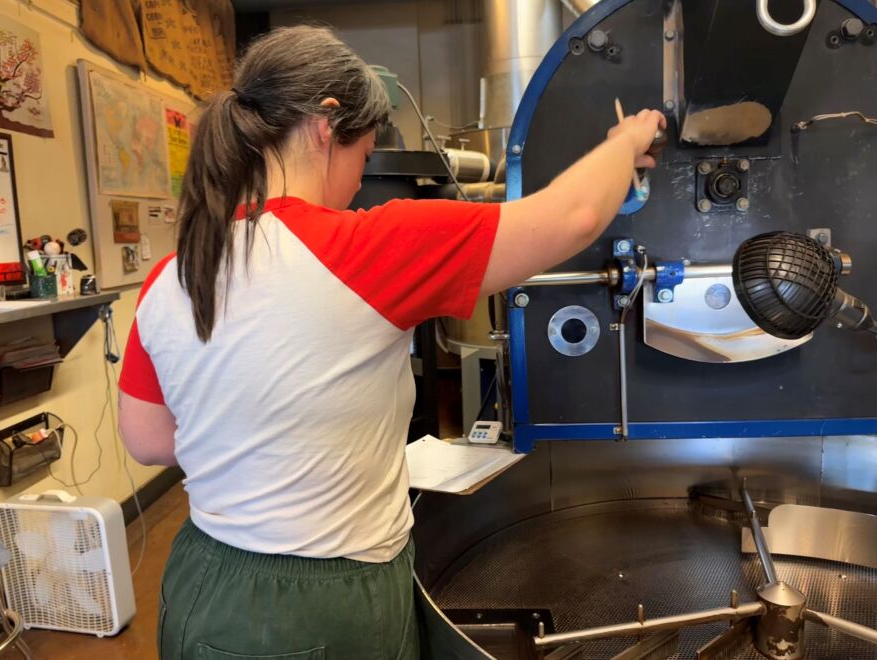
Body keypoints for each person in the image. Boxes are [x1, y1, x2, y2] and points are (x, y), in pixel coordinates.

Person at [118, 25, 665, 660]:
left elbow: (149, 440)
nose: (357, 181)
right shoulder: (367, 247)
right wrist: (626, 143)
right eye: (365, 153)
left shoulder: (173, 270)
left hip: (202, 582)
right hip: (319, 606)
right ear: (327, 125)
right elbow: (574, 217)